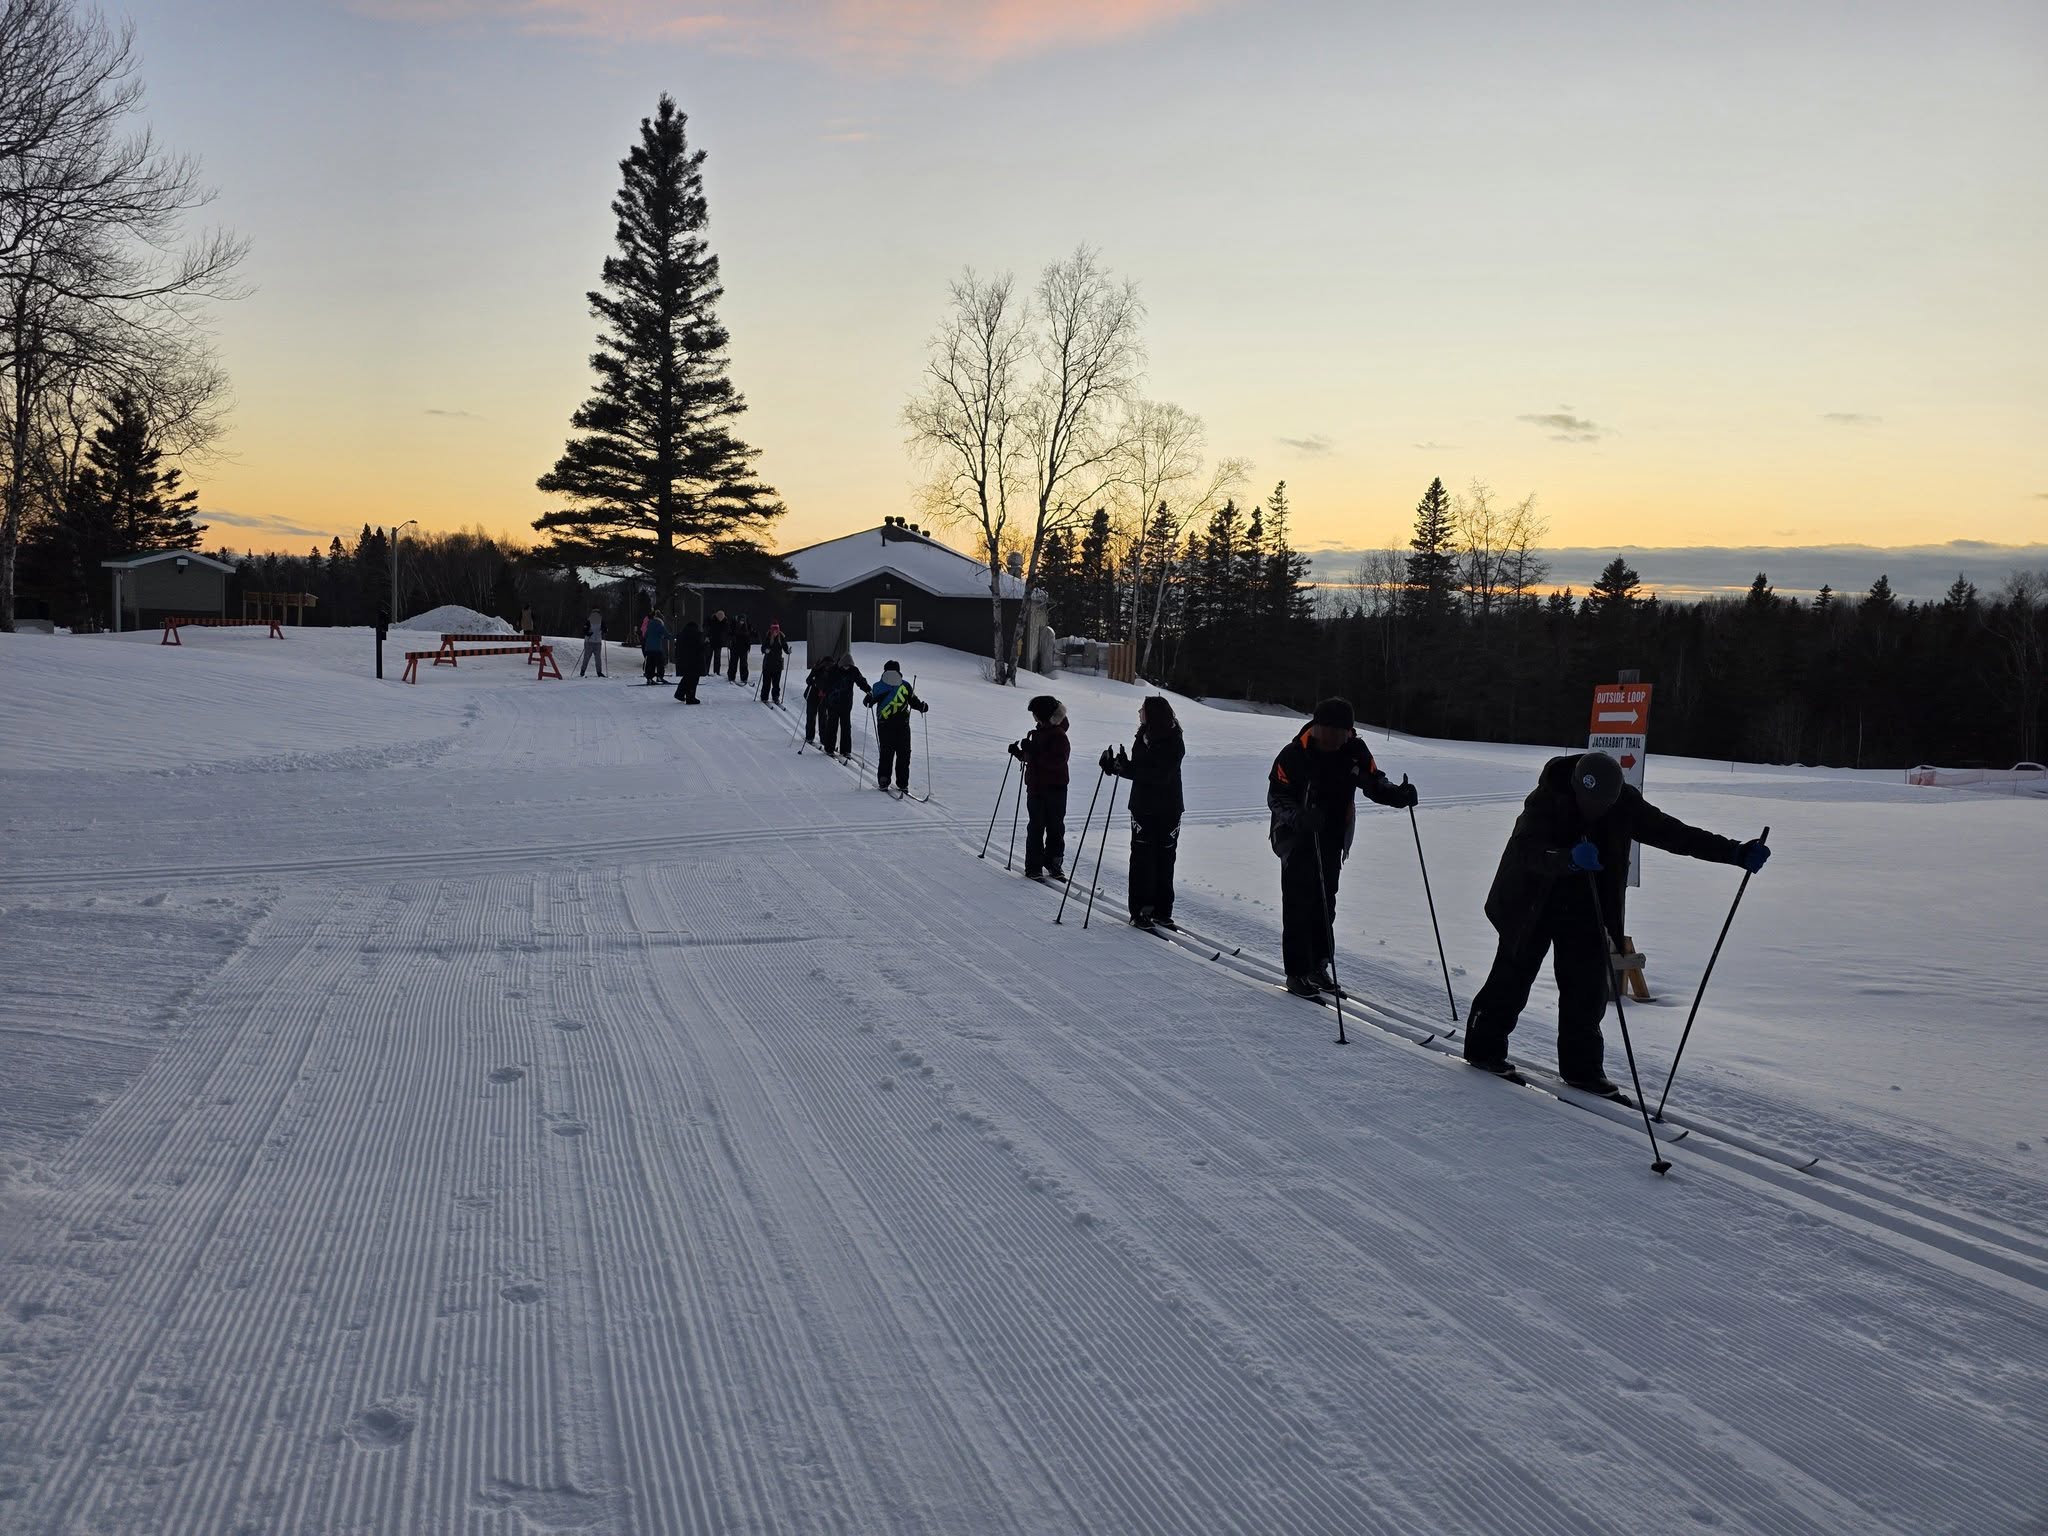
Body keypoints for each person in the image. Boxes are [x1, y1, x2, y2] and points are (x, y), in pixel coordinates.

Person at [1462, 750, 1770, 1093]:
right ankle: (1483, 1050)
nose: (1596, 810)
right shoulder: (1548, 798)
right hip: (1531, 902)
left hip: (1586, 904)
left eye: (1604, 804)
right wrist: (1566, 859)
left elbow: (1674, 833)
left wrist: (1734, 852)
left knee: (1587, 991)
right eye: (1590, 802)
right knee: (1512, 979)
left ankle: (1583, 1071)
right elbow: (1526, 851)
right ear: (1577, 788)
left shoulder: (1625, 804)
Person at [1267, 697, 1417, 997]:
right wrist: (1300, 818)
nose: (1336, 739)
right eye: (1330, 732)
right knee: (1298, 902)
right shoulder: (1294, 754)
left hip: (1333, 835)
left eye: (1342, 733)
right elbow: (1277, 797)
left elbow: (1373, 781)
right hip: (1296, 837)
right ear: (1317, 727)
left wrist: (1397, 795)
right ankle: (1297, 972)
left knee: (1325, 902)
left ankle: (1318, 965)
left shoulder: (1354, 751)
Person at [1102, 695, 1185, 929]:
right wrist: (1118, 765)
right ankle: (1141, 910)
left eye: (1143, 709)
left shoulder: (1173, 740)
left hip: (1168, 808)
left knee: (1165, 857)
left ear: (1153, 714)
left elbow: (1159, 775)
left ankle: (1162, 910)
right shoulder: (1143, 736)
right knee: (1142, 858)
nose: (1139, 713)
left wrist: (1126, 769)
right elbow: (1141, 769)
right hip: (1142, 806)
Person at [1008, 696, 1071, 880]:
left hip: (1055, 788)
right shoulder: (1040, 731)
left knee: (1055, 827)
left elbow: (1056, 762)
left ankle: (1054, 863)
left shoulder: (1059, 735)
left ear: (1043, 715)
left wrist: (1033, 752)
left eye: (1035, 713)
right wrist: (1019, 754)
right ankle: (1033, 866)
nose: (1033, 717)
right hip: (1036, 787)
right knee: (1036, 827)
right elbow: (1034, 759)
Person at [864, 660, 929, 792]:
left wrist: (869, 701)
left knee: (886, 753)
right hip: (902, 725)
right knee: (904, 754)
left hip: (885, 725)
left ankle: (884, 780)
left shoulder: (878, 686)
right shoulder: (905, 685)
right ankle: (902, 783)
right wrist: (922, 706)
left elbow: (867, 701)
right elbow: (914, 702)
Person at [820, 653, 869, 759]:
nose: (847, 668)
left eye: (849, 666)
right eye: (845, 666)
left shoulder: (854, 671)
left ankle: (846, 750)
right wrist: (824, 691)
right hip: (833, 703)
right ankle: (829, 748)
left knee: (846, 727)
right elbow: (826, 683)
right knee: (832, 725)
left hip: (846, 703)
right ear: (841, 664)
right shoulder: (833, 670)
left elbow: (861, 681)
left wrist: (868, 690)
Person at [802, 654, 833, 744]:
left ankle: (823, 738)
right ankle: (809, 736)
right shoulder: (817, 669)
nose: (828, 667)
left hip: (823, 697)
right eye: (826, 665)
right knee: (811, 716)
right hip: (812, 696)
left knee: (823, 718)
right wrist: (813, 682)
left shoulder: (832, 672)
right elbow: (808, 680)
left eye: (829, 665)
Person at [672, 618, 704, 703]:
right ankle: (690, 697)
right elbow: (699, 648)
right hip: (695, 661)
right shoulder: (697, 635)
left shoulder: (680, 635)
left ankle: (680, 693)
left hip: (683, 661)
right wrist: (706, 644)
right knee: (693, 679)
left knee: (686, 677)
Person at [759, 622, 791, 705]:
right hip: (768, 663)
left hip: (778, 663)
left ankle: (775, 697)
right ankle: (764, 697)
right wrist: (765, 650)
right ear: (771, 630)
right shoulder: (768, 637)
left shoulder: (781, 637)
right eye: (774, 630)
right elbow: (763, 647)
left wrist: (788, 651)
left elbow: (785, 647)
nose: (775, 632)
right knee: (766, 682)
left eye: (776, 630)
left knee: (776, 683)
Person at [640, 610, 669, 685]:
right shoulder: (660, 626)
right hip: (657, 648)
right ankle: (659, 676)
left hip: (648, 648)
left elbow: (645, 636)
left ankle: (649, 678)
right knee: (660, 662)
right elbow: (666, 634)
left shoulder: (649, 625)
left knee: (650, 663)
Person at [578, 608, 606, 678]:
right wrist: (587, 633)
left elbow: (605, 629)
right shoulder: (589, 621)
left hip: (597, 642)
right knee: (586, 657)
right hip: (589, 642)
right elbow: (584, 630)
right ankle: (582, 671)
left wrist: (605, 630)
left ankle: (599, 672)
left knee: (598, 658)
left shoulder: (601, 621)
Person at [727, 615, 752, 685]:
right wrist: (729, 642)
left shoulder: (746, 627)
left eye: (743, 621)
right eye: (741, 620)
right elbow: (729, 634)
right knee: (733, 663)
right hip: (735, 647)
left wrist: (748, 646)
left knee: (744, 663)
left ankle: (744, 678)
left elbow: (748, 637)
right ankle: (731, 677)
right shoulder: (734, 626)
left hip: (743, 648)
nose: (742, 622)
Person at [704, 610, 727, 676]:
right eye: (719, 618)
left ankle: (716, 672)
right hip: (711, 641)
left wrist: (725, 639)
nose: (720, 619)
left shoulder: (724, 621)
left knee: (717, 658)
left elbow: (725, 631)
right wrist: (707, 637)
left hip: (719, 642)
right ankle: (706, 671)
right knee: (708, 657)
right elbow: (707, 629)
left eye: (721, 618)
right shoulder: (711, 620)